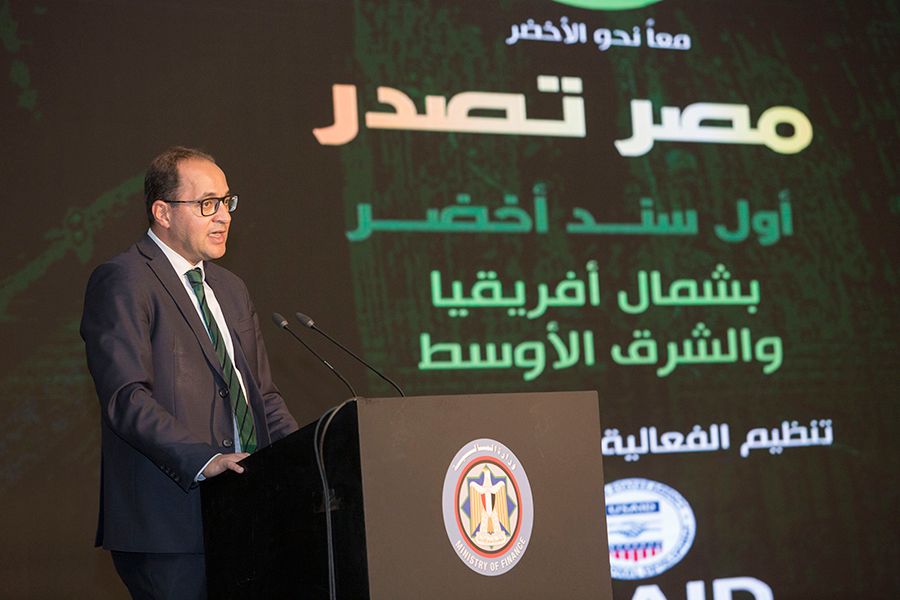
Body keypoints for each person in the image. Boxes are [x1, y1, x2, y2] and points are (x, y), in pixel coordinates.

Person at [80, 146, 299, 599]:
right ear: (162, 212)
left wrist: (303, 459)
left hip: (244, 516)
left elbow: (260, 395)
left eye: (226, 202)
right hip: (169, 525)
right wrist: (204, 459)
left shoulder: (230, 288)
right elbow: (126, 397)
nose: (223, 217)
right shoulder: (124, 280)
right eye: (207, 204)